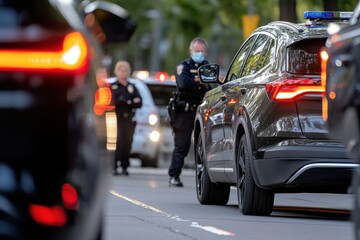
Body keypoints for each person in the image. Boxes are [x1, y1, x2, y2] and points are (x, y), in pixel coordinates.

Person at [168, 37, 211, 187]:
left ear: (206, 52)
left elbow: (212, 85)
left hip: (202, 110)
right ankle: (174, 176)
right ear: (190, 51)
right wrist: (199, 81)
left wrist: (199, 80)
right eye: (196, 51)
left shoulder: (208, 67)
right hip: (185, 111)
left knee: (206, 146)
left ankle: (207, 179)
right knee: (182, 145)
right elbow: (183, 82)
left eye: (201, 51)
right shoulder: (183, 66)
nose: (199, 53)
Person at [111, 60, 142, 176]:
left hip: (128, 119)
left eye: (125, 70)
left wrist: (125, 101)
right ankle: (114, 166)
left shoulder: (132, 87)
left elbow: (139, 102)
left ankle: (125, 166)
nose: (123, 72)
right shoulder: (113, 86)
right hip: (116, 119)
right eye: (121, 70)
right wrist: (129, 101)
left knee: (127, 143)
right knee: (117, 142)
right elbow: (115, 101)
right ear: (117, 71)